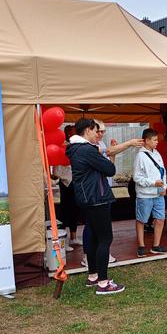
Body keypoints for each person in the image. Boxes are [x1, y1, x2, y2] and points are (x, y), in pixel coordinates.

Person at [66, 118, 124, 295]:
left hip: (87, 198)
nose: (98, 135)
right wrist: (100, 153)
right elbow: (110, 169)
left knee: (92, 237)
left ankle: (93, 276)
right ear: (88, 130)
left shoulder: (75, 148)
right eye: (95, 131)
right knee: (105, 239)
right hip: (97, 197)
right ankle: (104, 283)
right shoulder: (87, 150)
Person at [81, 123, 143, 267]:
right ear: (90, 130)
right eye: (98, 131)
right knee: (92, 226)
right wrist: (129, 143)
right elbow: (108, 151)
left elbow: (110, 166)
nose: (101, 134)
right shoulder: (90, 146)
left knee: (102, 228)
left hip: (104, 189)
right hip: (95, 192)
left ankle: (99, 257)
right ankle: (88, 257)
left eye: (103, 131)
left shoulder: (100, 143)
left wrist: (114, 152)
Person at [133, 128, 167, 257]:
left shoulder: (157, 154)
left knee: (160, 219)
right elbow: (136, 178)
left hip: (158, 193)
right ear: (147, 140)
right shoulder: (140, 156)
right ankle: (141, 246)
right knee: (141, 220)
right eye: (154, 140)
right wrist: (153, 183)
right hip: (145, 194)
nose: (157, 142)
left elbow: (163, 172)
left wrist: (164, 186)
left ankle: (156, 245)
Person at [53, 125, 80, 248]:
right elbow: (56, 167)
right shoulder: (62, 146)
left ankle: (73, 237)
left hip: (75, 181)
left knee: (75, 209)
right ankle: (62, 241)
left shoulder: (78, 146)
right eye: (73, 132)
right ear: (68, 134)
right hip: (65, 182)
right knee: (64, 211)